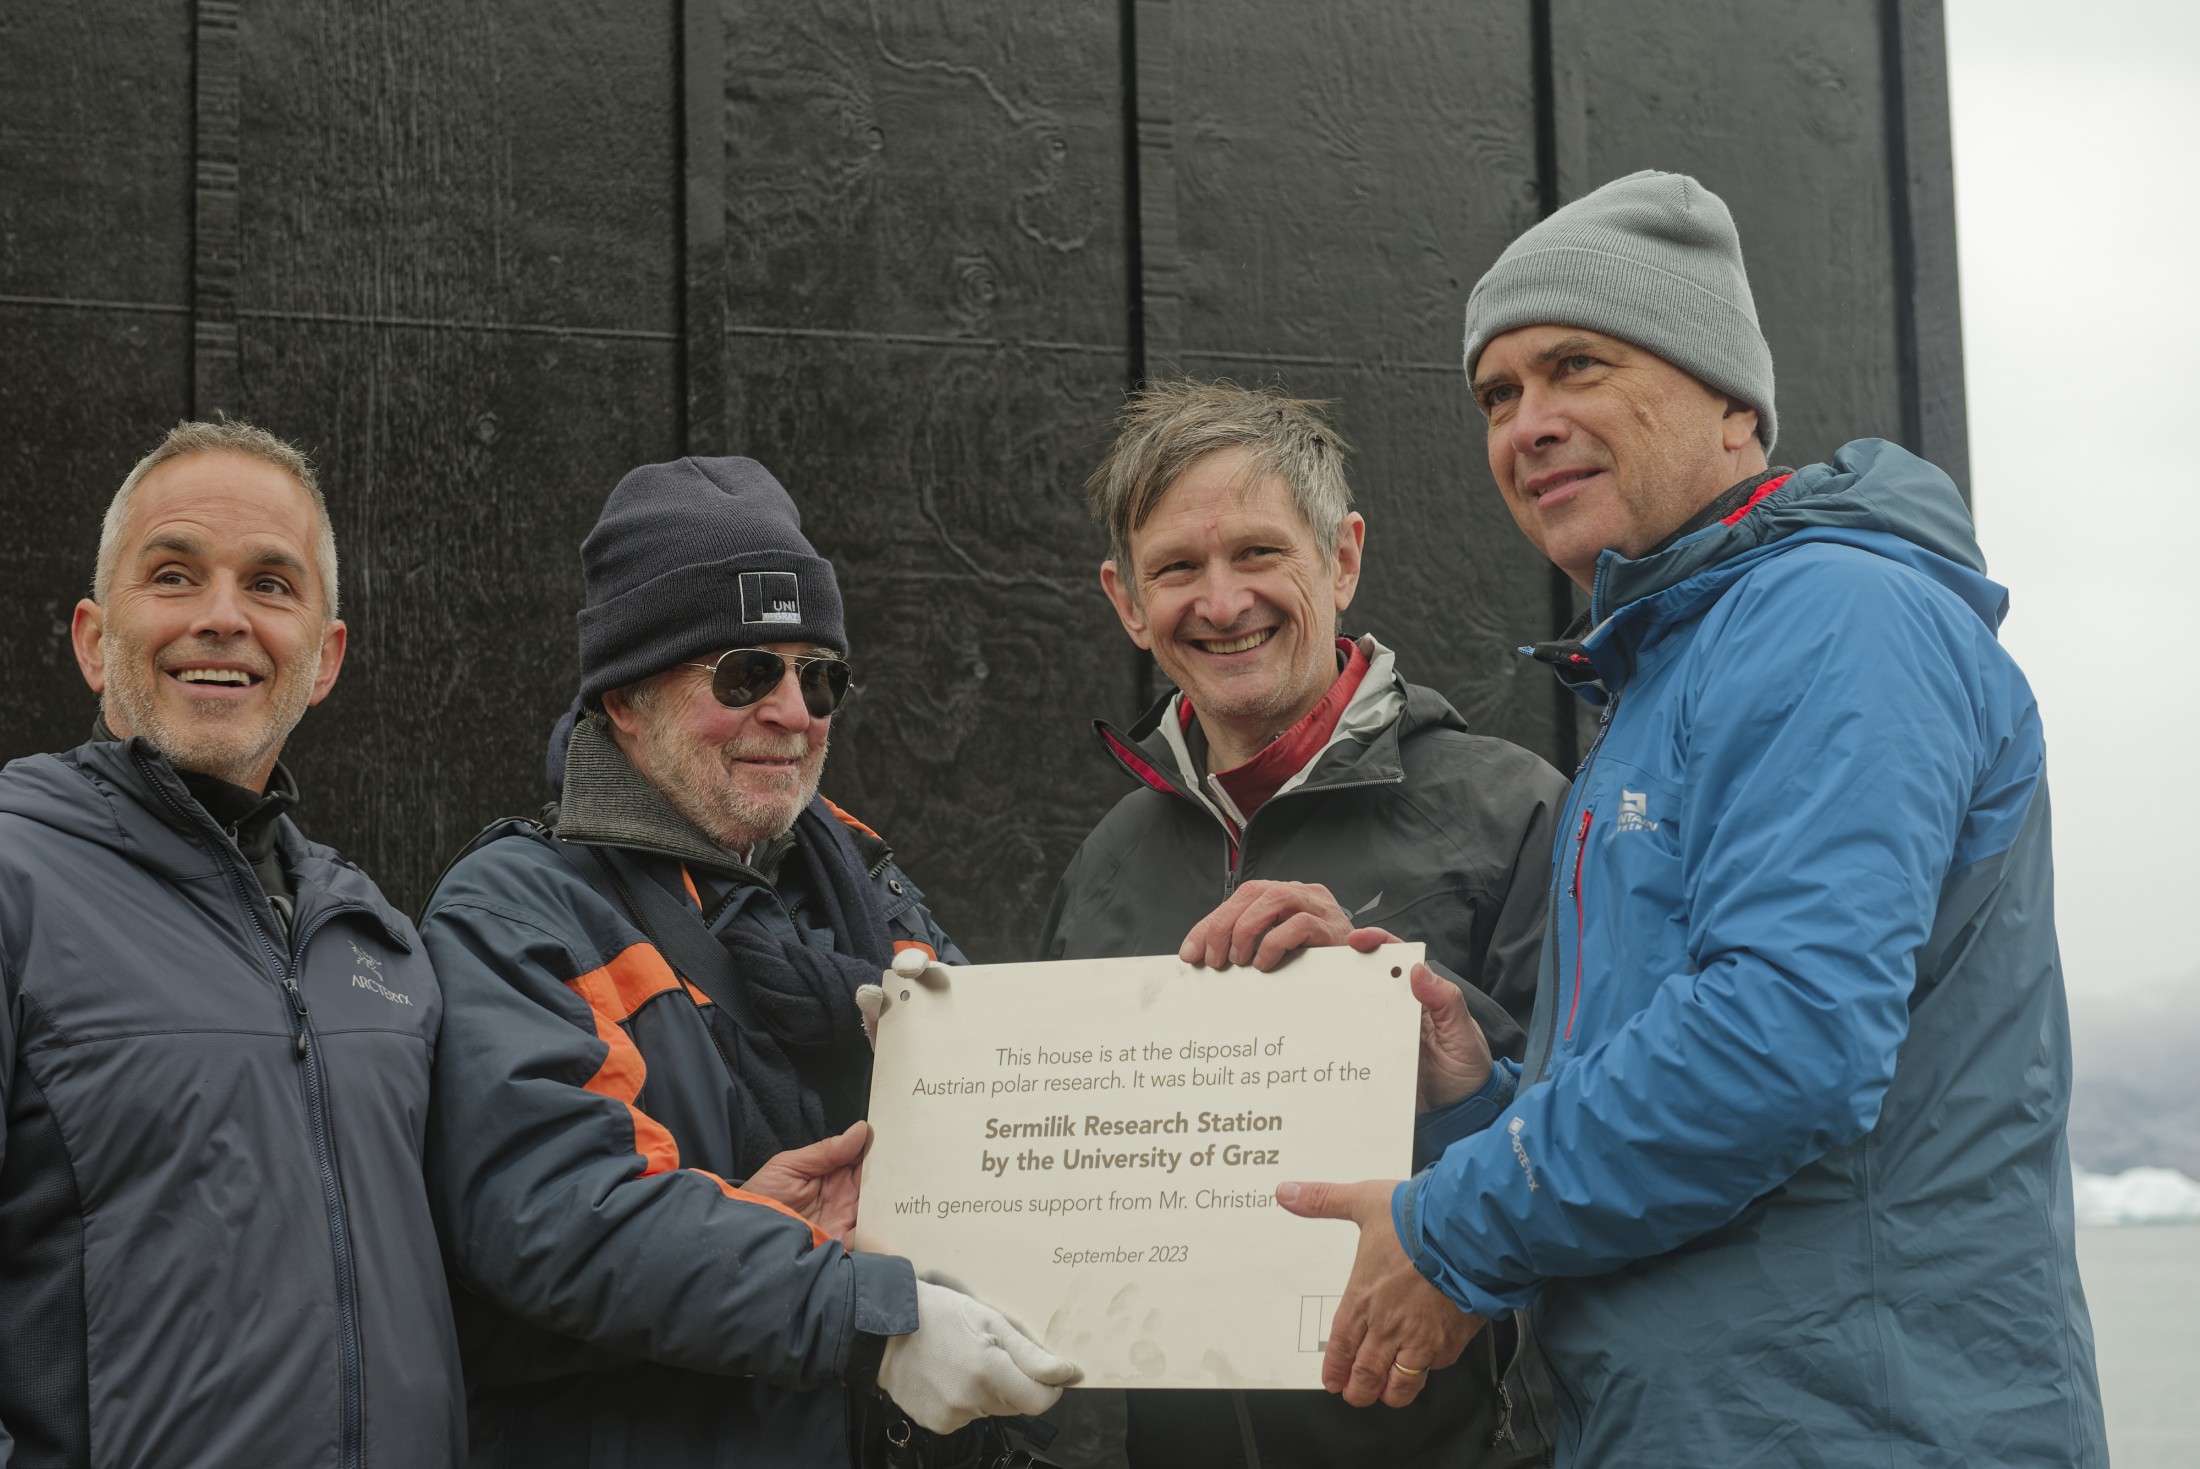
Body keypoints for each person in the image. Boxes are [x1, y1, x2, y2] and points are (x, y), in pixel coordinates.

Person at [1274, 170, 2108, 1467]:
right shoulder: (1675, 670)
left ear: (1732, 403)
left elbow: (1787, 1039)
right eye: (1499, 396)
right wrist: (1470, 1093)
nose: (1530, 423)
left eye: (1578, 367)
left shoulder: (1836, 618)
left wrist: (1451, 1228)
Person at [421, 454, 1078, 1468]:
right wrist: (875, 1317)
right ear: (625, 698)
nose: (793, 710)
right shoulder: (519, 908)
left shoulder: (867, 882)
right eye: (744, 672)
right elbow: (561, 1209)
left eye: (820, 674)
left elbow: (1027, 1124)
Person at [1038, 381, 1567, 1467]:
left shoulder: (1514, 812)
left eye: (1258, 554)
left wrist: (1426, 1038)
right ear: (1126, 600)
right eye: (1177, 568)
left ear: (1342, 558)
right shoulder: (1107, 860)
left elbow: (1603, 1142)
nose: (1221, 601)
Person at [0, 420, 465, 1466]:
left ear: (324, 658)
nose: (223, 618)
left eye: (270, 583)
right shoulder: (13, 882)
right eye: (174, 574)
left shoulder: (380, 944)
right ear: (90, 637)